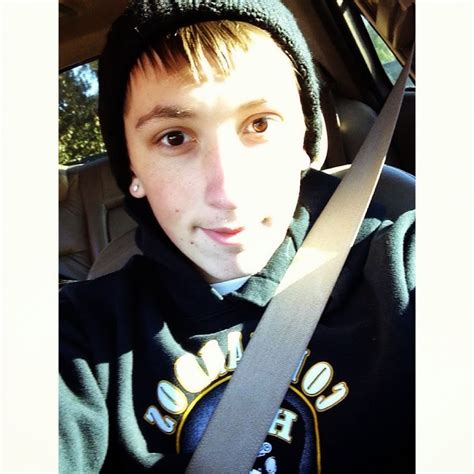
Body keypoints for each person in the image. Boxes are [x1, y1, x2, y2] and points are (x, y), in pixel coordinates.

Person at [59, 0, 415, 472]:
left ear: (303, 142)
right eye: (174, 137)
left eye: (259, 125)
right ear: (132, 170)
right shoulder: (76, 337)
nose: (227, 193)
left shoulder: (405, 265)